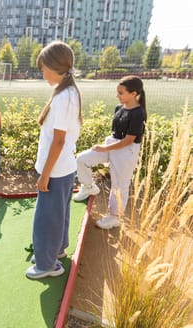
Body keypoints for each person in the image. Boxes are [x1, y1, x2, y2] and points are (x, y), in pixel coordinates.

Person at [26, 41, 82, 279]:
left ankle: (47, 265)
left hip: (56, 171)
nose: (42, 74)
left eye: (43, 69)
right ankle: (56, 251)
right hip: (63, 168)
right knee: (59, 214)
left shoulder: (64, 97)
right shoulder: (66, 92)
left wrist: (45, 174)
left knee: (46, 219)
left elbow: (58, 141)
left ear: (54, 66)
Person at [73, 75, 146, 230]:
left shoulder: (139, 113)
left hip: (127, 151)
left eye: (121, 93)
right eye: (117, 92)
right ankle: (88, 187)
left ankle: (115, 217)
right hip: (112, 144)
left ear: (134, 94)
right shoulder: (119, 108)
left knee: (119, 185)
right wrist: (106, 147)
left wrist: (105, 149)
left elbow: (128, 140)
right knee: (82, 159)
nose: (117, 95)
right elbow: (117, 135)